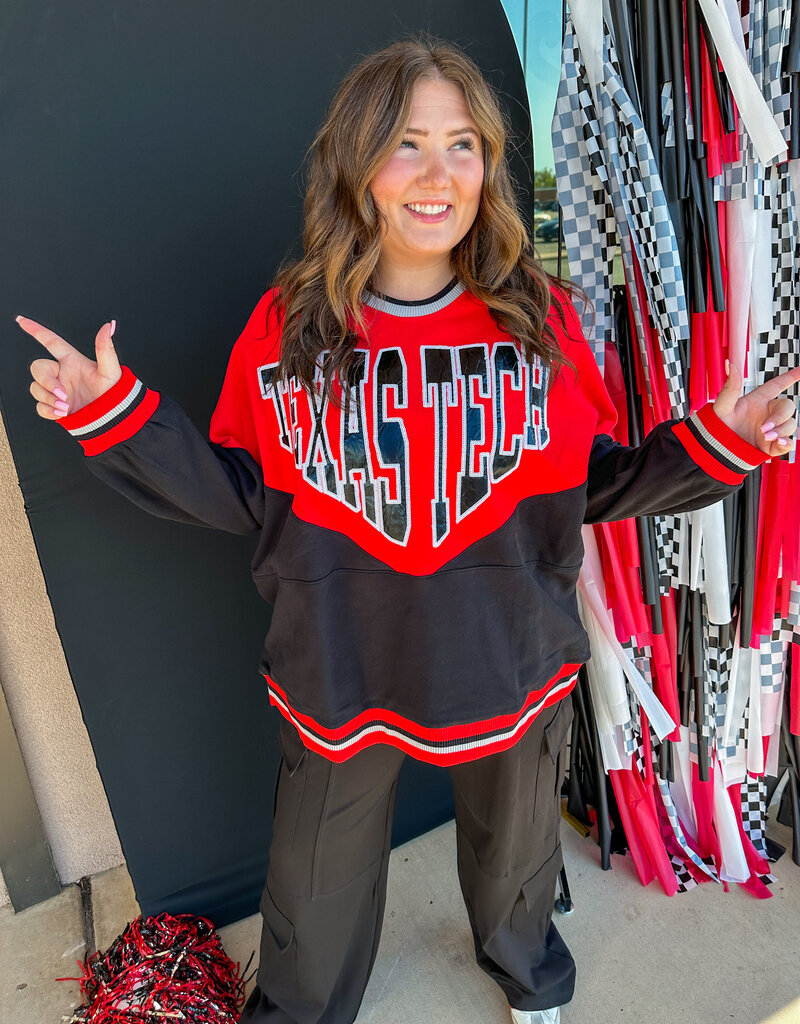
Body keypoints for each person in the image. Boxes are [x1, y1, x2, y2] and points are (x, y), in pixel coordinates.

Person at [16, 37, 799, 1024]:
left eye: (461, 144)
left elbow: (587, 486)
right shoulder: (290, 324)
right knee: (312, 877)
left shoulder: (536, 321)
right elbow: (245, 494)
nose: (436, 174)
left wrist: (712, 445)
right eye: (405, 143)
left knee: (515, 853)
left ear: (489, 163)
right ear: (354, 163)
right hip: (342, 664)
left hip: (510, 653)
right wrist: (117, 415)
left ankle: (530, 975)